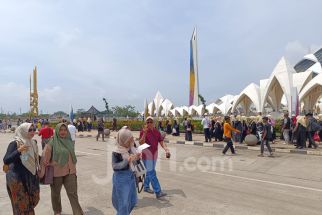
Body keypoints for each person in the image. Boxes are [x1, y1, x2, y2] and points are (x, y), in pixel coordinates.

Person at [41, 123, 84, 215]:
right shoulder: (51, 142)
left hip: (70, 172)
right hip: (56, 173)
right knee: (56, 194)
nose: (63, 132)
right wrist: (52, 164)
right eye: (61, 130)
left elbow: (71, 156)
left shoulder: (69, 141)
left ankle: (78, 212)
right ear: (56, 131)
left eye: (65, 130)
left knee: (73, 194)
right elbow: (45, 159)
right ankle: (57, 211)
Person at [3, 123, 40, 214]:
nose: (32, 132)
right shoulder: (15, 143)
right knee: (21, 205)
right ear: (23, 131)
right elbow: (6, 160)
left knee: (32, 201)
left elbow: (34, 157)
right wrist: (19, 151)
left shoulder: (33, 143)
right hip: (17, 179)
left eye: (33, 129)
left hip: (30, 177)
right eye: (29, 130)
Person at [139, 116, 170, 199]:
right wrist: (145, 133)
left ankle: (146, 187)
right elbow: (141, 143)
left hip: (154, 155)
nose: (149, 123)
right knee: (152, 173)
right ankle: (158, 191)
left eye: (150, 122)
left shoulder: (156, 132)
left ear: (154, 123)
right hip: (146, 156)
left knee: (150, 173)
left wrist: (166, 149)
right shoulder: (143, 131)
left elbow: (161, 141)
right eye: (147, 122)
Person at [112, 127, 140, 215]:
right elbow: (115, 166)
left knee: (132, 200)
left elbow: (136, 163)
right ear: (123, 140)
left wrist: (137, 158)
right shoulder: (116, 152)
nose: (131, 142)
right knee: (123, 203)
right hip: (121, 179)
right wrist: (127, 160)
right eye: (129, 140)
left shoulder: (130, 148)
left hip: (131, 177)